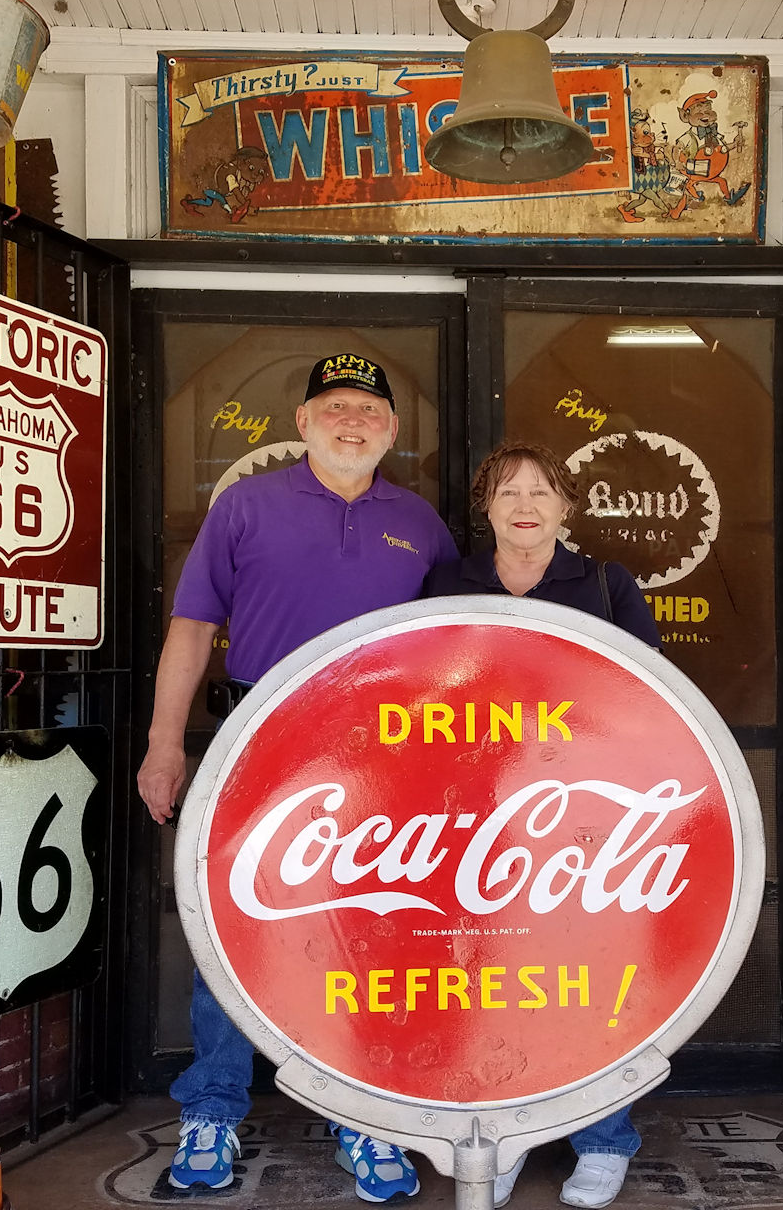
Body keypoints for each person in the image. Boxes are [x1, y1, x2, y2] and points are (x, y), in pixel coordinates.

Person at [139, 352, 457, 1201]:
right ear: (303, 423)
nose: (352, 421)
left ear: (390, 430)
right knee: (235, 928)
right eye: (334, 407)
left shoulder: (421, 524)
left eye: (368, 410)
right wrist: (166, 745)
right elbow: (191, 629)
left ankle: (367, 1114)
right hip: (258, 738)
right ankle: (211, 1109)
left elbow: (458, 649)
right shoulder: (244, 505)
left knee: (371, 937)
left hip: (385, 757)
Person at [420, 439, 658, 1210]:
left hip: (583, 818)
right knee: (492, 978)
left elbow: (646, 694)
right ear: (484, 508)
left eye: (541, 492)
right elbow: (421, 690)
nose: (524, 505)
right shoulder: (446, 579)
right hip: (477, 813)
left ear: (565, 507)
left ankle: (603, 1139)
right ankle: (505, 1137)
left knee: (591, 973)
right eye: (507, 493)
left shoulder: (604, 582)